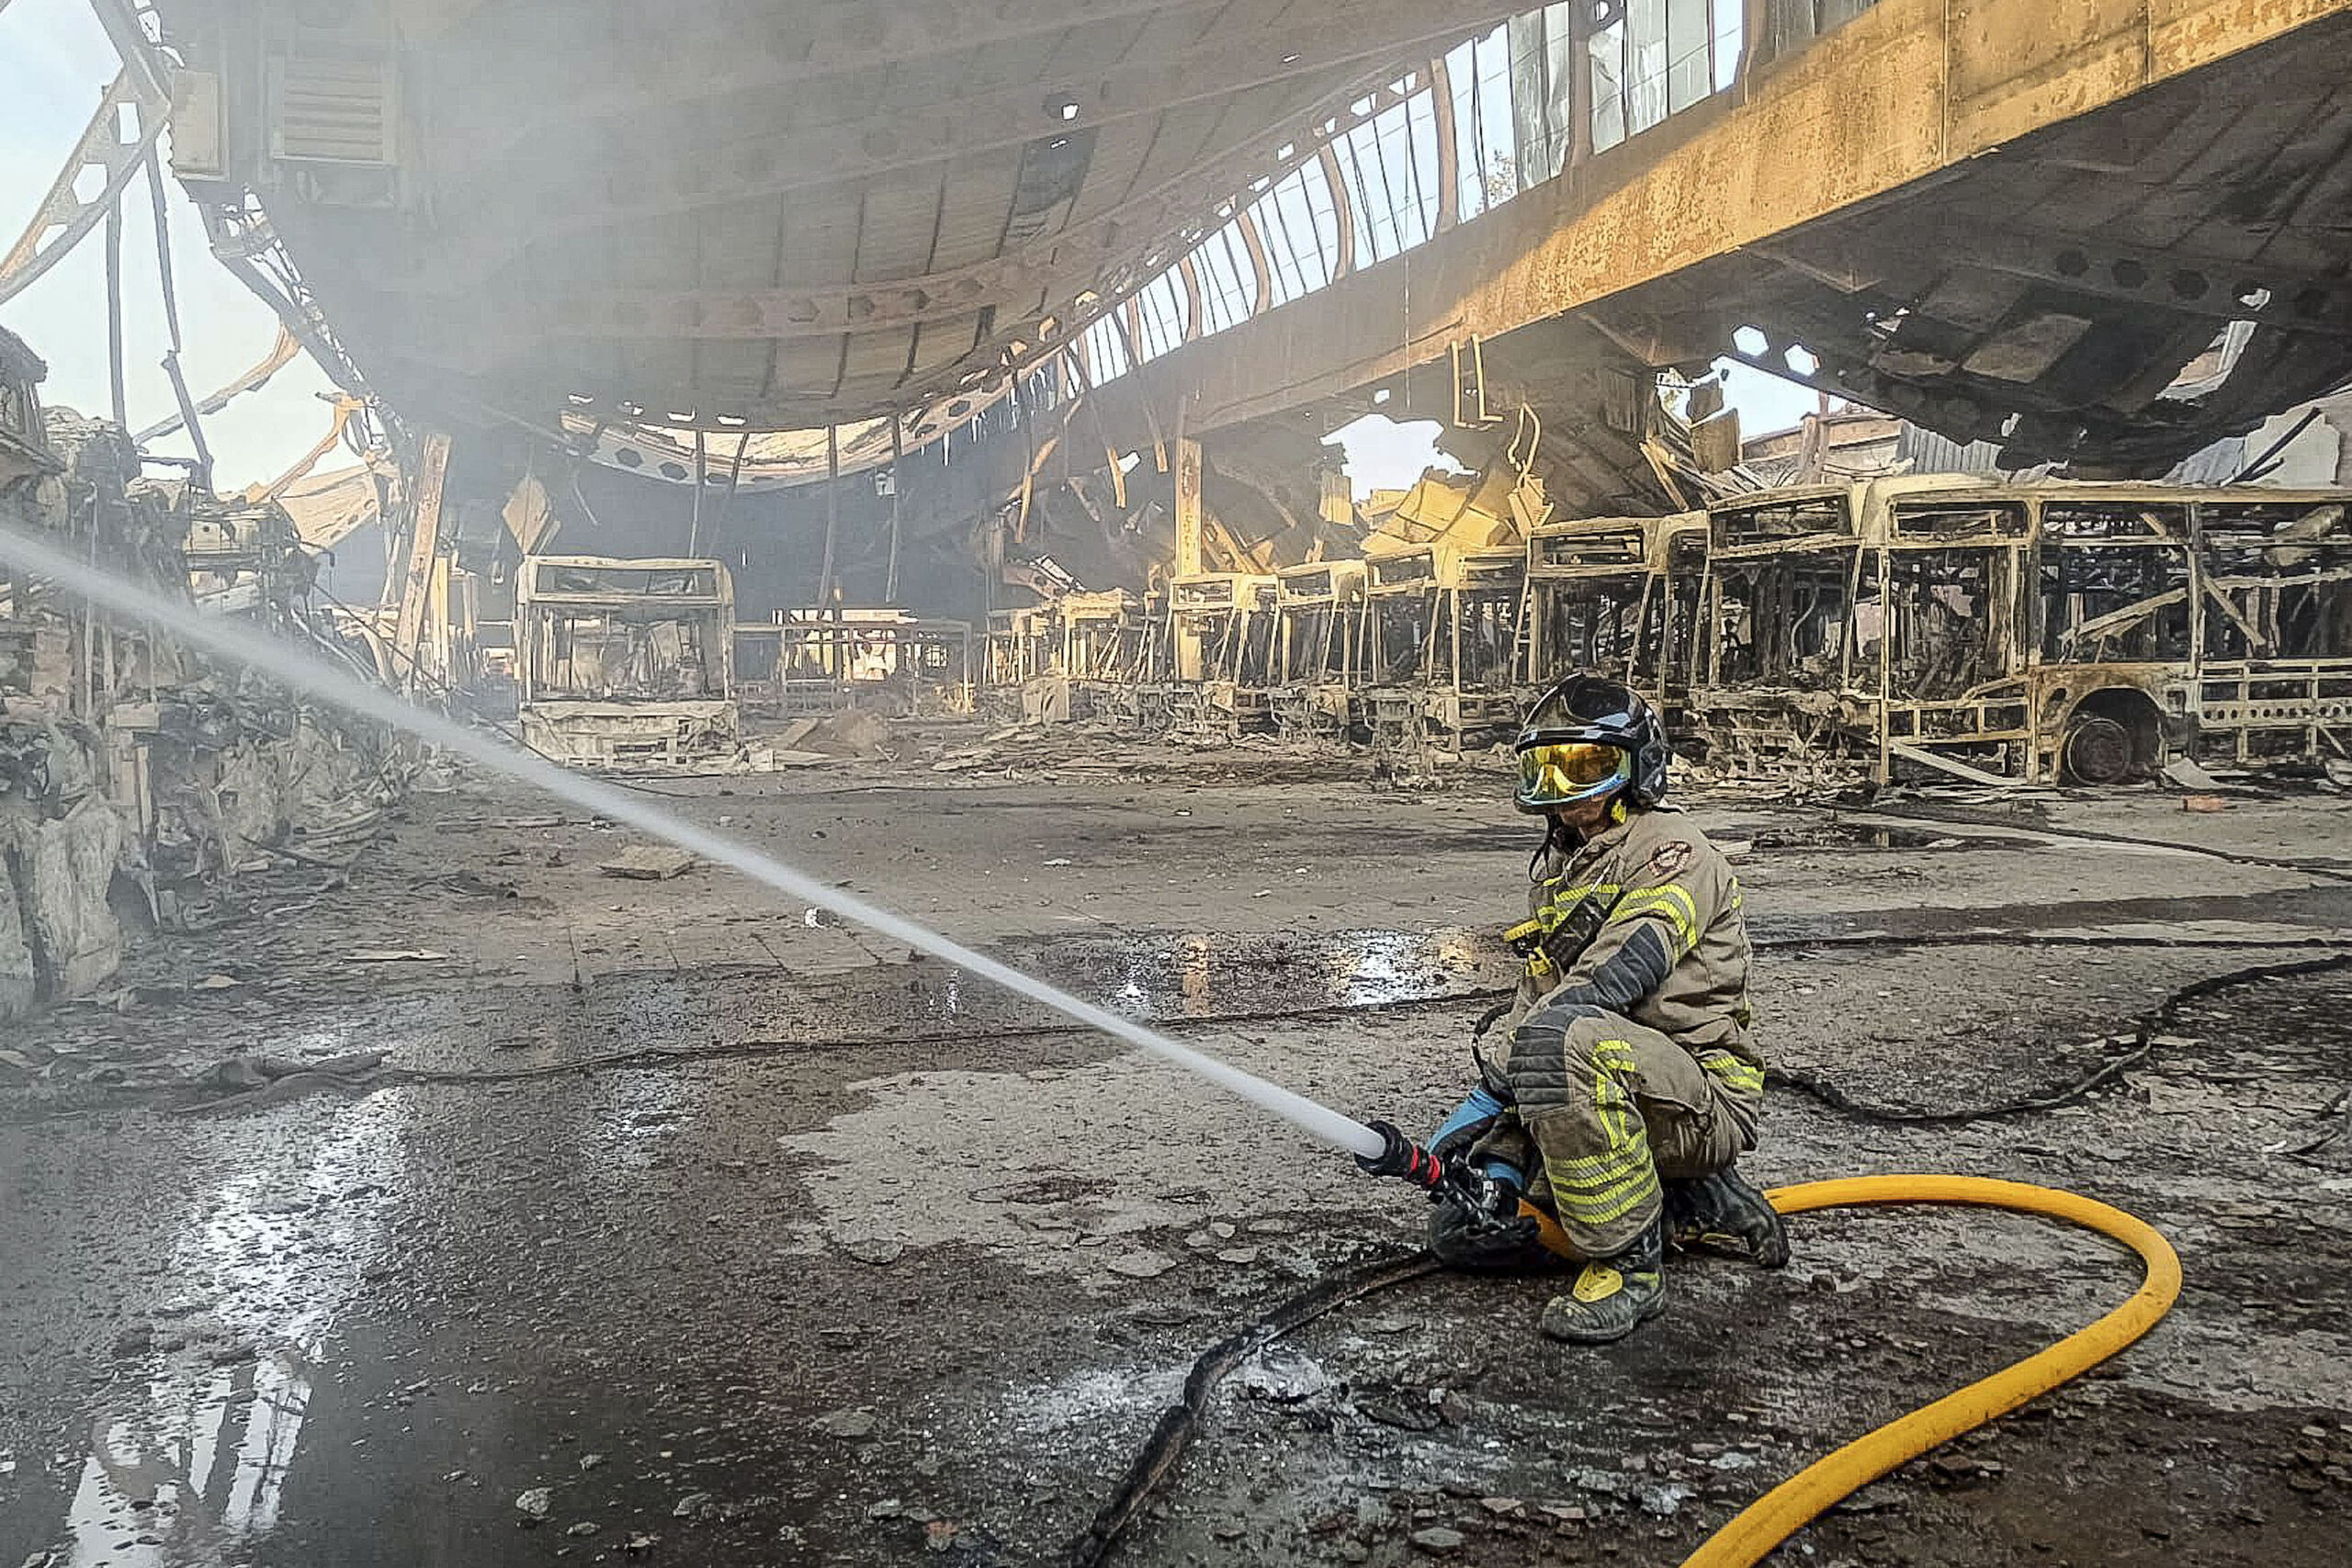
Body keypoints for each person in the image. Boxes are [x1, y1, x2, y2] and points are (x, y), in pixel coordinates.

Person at [1425, 674, 1788, 1344]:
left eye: (1587, 767)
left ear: (1636, 770)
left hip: (1699, 1094)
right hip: (1600, 1078)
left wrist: (1494, 1088)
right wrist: (1496, 1151)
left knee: (1563, 1040)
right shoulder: (1563, 867)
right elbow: (1538, 1002)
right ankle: (1687, 1199)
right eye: (1549, 768)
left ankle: (1629, 1265)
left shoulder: (1674, 855)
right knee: (1462, 1230)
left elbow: (1609, 979)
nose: (1565, 793)